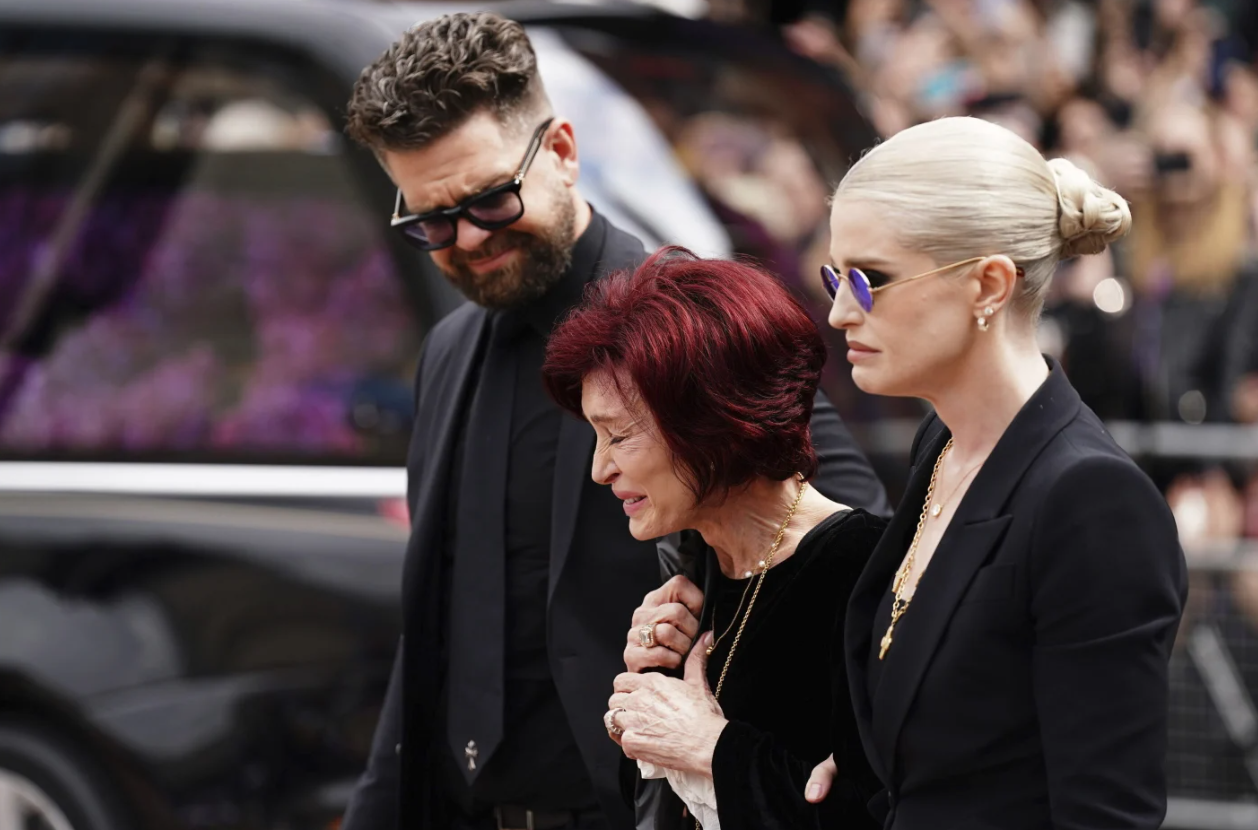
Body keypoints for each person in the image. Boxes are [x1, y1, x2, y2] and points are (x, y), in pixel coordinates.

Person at [338, 13, 890, 830]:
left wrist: (736, 728)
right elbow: (433, 634)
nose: (467, 239)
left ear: (561, 150)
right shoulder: (449, 349)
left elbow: (846, 545)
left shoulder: (687, 323)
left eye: (490, 199)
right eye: (430, 222)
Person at [800, 116, 1188, 829]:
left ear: (988, 285)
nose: (838, 310)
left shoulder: (1091, 501)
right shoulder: (942, 443)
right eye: (834, 275)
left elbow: (1105, 815)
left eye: (867, 278)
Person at [542, 248, 884, 830]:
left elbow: (874, 809)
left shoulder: (865, 572)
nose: (600, 469)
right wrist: (648, 703)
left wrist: (709, 746)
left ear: (714, 424)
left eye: (620, 436)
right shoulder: (692, 570)